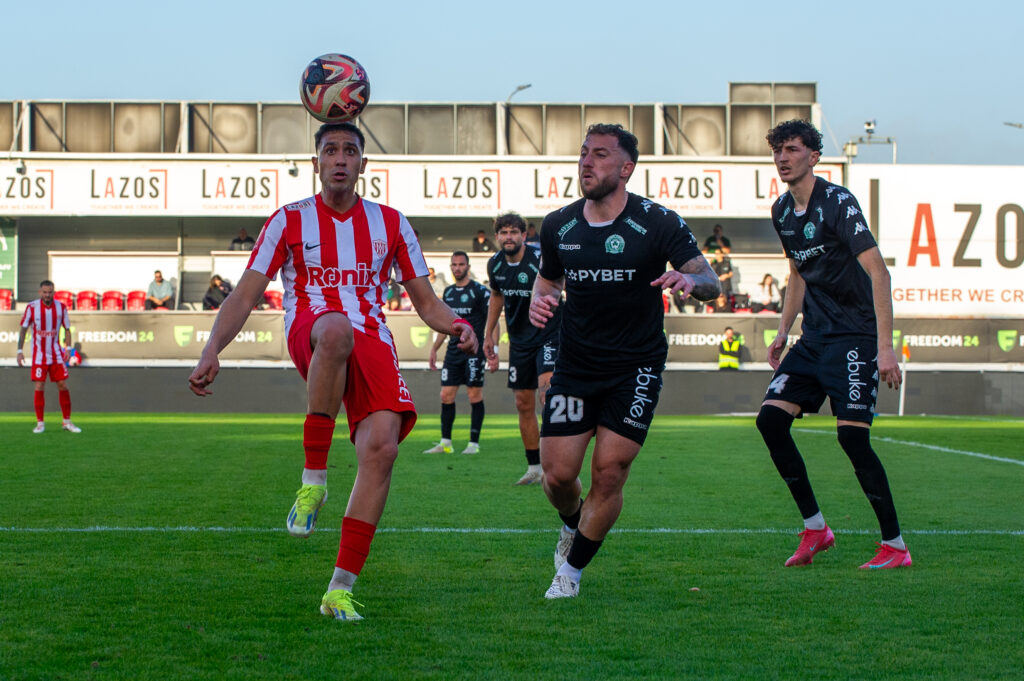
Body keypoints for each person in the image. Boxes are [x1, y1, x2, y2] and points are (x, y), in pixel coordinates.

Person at [188, 121, 478, 622]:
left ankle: (339, 590)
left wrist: (459, 325)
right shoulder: (288, 220)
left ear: (364, 163)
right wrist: (212, 348)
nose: (340, 159)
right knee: (338, 328)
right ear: (315, 162)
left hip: (373, 337)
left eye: (349, 151)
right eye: (330, 150)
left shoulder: (392, 223)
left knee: (382, 449)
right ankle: (314, 479)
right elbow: (245, 294)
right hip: (314, 328)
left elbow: (427, 303)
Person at [529, 123, 719, 599]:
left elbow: (710, 279)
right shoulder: (558, 225)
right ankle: (572, 523)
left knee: (609, 472)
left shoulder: (658, 222)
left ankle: (570, 574)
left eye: (599, 154)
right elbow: (548, 280)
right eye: (583, 153)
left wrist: (691, 282)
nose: (586, 162)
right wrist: (540, 300)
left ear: (626, 168)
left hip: (636, 367)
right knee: (558, 476)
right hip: (576, 366)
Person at [756, 119, 910, 571]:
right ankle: (816, 528)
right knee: (770, 421)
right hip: (814, 340)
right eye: (777, 151)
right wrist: (783, 330)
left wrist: (885, 348)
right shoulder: (782, 211)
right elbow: (797, 274)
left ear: (814, 156)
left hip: (855, 338)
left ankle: (895, 546)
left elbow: (879, 273)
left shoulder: (838, 202)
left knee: (852, 439)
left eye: (791, 149)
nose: (782, 158)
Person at [484, 212, 561, 485]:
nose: (509, 237)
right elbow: (497, 296)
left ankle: (555, 465)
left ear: (524, 235)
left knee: (548, 395)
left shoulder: (540, 259)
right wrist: (489, 334)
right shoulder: (494, 264)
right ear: (497, 237)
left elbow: (561, 285)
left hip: (548, 335)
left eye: (513, 232)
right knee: (523, 404)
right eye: (503, 233)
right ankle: (535, 468)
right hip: (519, 342)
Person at [424, 251, 491, 455]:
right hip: (453, 352)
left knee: (474, 394)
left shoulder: (480, 291)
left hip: (473, 352)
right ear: (450, 267)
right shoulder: (449, 292)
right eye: (454, 265)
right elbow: (446, 325)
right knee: (446, 395)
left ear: (468, 267)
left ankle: (473, 444)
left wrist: (492, 345)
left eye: (461, 264)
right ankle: (446, 443)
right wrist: (434, 348)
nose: (457, 268)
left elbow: (492, 320)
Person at [17, 280, 82, 433]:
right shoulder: (32, 307)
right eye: (44, 292)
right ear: (40, 292)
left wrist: (68, 348)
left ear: (54, 292)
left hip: (56, 354)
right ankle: (40, 423)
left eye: (50, 292)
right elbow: (23, 329)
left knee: (62, 385)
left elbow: (67, 329)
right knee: (39, 386)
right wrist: (19, 351)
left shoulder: (61, 308)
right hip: (39, 355)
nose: (47, 295)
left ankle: (67, 422)